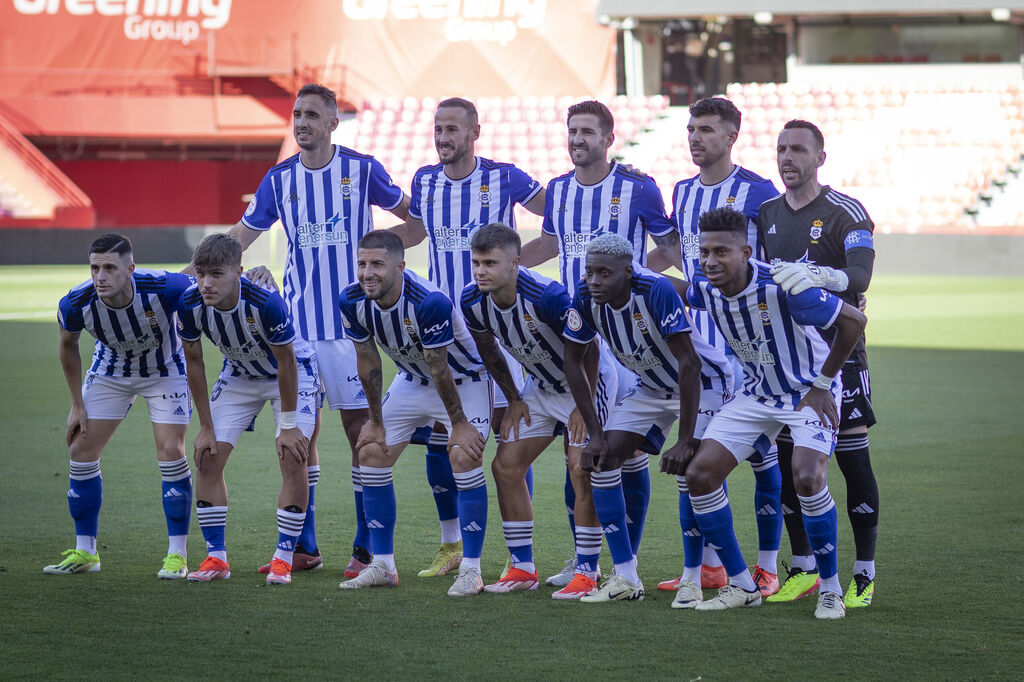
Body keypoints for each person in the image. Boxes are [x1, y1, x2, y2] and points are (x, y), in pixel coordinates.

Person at [225, 83, 410, 577]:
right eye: (296, 114)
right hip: (298, 335)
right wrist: (191, 279)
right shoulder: (279, 178)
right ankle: (303, 547)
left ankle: (366, 547)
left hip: (352, 333)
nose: (301, 122)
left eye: (312, 114)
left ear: (332, 123)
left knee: (360, 435)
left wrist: (388, 270)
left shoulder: (362, 168)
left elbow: (412, 219)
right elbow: (239, 240)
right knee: (296, 437)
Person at [520, 99, 683, 587]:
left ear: (609, 139)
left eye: (588, 132)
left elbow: (672, 248)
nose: (577, 139)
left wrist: (639, 282)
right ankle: (585, 555)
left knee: (620, 452)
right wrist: (504, 265)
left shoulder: (638, 187)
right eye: (572, 131)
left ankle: (620, 558)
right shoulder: (559, 191)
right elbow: (551, 244)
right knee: (582, 449)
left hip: (627, 340)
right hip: (575, 333)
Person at [682, 206, 867, 620]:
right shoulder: (704, 287)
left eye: (721, 252)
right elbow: (681, 291)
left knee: (807, 476)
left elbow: (855, 321)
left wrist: (822, 386)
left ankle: (831, 589)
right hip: (756, 395)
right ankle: (742, 585)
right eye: (704, 252)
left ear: (746, 252)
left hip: (807, 392)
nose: (711, 262)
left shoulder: (784, 286)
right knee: (699, 474)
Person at [390, 97, 545, 578]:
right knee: (443, 440)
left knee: (507, 439)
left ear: (475, 131)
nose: (443, 137)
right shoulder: (425, 180)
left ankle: (518, 555)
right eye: (438, 128)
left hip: (499, 329)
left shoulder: (505, 177)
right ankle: (452, 544)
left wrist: (516, 273)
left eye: (452, 129)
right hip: (442, 332)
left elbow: (558, 221)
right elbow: (414, 233)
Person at [648, 97, 784, 595]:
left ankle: (767, 566)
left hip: (750, 351)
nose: (695, 138)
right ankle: (704, 566)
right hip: (699, 348)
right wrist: (632, 279)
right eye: (690, 129)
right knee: (695, 458)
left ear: (731, 137)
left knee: (763, 459)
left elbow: (773, 266)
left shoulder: (759, 192)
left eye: (706, 129)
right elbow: (673, 254)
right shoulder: (682, 191)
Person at [460, 223, 619, 599]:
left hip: (586, 384)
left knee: (581, 470)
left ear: (515, 262)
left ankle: (586, 570)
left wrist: (586, 407)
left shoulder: (547, 296)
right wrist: (514, 397)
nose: (481, 271)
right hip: (540, 388)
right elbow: (488, 351)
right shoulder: (472, 300)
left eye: (490, 263)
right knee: (505, 466)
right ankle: (522, 568)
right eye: (476, 262)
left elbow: (590, 348)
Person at [758, 119, 880, 609]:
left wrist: (815, 275)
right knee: (792, 464)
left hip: (840, 356)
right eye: (782, 148)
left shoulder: (844, 211)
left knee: (851, 459)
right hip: (787, 362)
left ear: (820, 158)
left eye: (799, 149)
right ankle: (803, 566)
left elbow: (861, 275)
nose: (788, 157)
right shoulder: (766, 212)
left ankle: (864, 572)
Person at [336, 231, 491, 596]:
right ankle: (383, 565)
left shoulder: (429, 302)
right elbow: (368, 360)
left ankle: (471, 569)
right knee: (371, 452)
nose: (367, 272)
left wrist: (459, 425)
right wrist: (375, 421)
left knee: (463, 456)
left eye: (377, 264)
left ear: (401, 267)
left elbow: (441, 367)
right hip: (412, 378)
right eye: (362, 264)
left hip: (463, 379)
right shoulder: (351, 300)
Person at [561, 234, 704, 603]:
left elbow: (690, 364)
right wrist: (595, 433)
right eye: (590, 272)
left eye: (604, 274)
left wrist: (685, 440)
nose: (594, 281)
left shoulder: (655, 290)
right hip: (650, 388)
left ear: (628, 271)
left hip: (704, 385)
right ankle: (625, 576)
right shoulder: (585, 295)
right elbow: (573, 361)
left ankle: (692, 577)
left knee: (692, 472)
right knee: (603, 460)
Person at [47, 233, 193, 579]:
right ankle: (86, 551)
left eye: (110, 268)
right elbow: (68, 346)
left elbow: (211, 280)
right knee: (80, 448)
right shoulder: (76, 302)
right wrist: (76, 405)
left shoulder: (165, 287)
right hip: (111, 371)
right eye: (95, 267)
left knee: (172, 451)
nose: (100, 276)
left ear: (130, 268)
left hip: (165, 370)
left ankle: (177, 555)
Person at [175, 234, 315, 585]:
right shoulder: (189, 303)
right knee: (207, 456)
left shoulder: (265, 303)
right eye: (201, 273)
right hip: (238, 374)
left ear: (238, 272)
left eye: (216, 274)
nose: (206, 283)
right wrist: (205, 426)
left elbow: (287, 363)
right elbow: (193, 362)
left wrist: (288, 425)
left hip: (291, 373)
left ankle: (283, 557)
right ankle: (215, 558)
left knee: (293, 454)